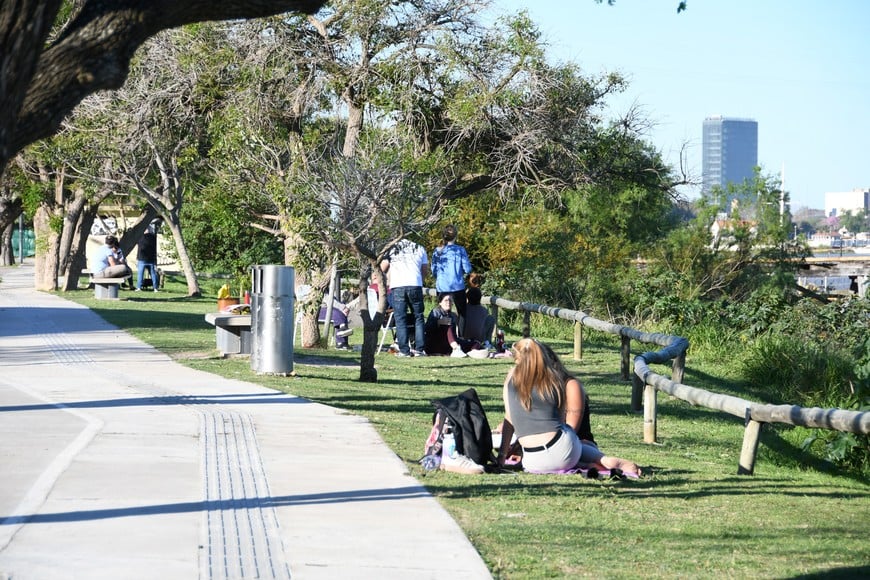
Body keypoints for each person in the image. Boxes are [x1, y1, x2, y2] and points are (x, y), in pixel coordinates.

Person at [496, 338, 641, 476]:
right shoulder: (555, 380)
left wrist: (502, 456)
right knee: (573, 443)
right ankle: (601, 460)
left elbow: (509, 418)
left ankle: (587, 463)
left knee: (565, 447)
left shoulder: (511, 378)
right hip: (565, 451)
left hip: (533, 461)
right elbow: (563, 425)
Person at [381, 239, 428, 357]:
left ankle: (404, 350)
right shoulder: (419, 248)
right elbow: (424, 270)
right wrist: (420, 281)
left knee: (400, 318)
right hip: (415, 284)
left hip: (398, 286)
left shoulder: (392, 248)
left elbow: (382, 267)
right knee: (418, 317)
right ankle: (419, 349)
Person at [431, 224, 473, 331]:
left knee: (444, 312)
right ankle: (460, 336)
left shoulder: (437, 251)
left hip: (442, 286)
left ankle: (445, 335)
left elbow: (433, 270)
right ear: (455, 236)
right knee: (462, 313)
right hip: (457, 286)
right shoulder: (460, 250)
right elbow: (468, 269)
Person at [136, 222, 160, 292]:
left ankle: (139, 287)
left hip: (142, 258)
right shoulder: (153, 237)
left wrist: (137, 258)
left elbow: (139, 247)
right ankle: (155, 288)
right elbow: (154, 248)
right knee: (153, 274)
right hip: (151, 258)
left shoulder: (140, 237)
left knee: (140, 273)